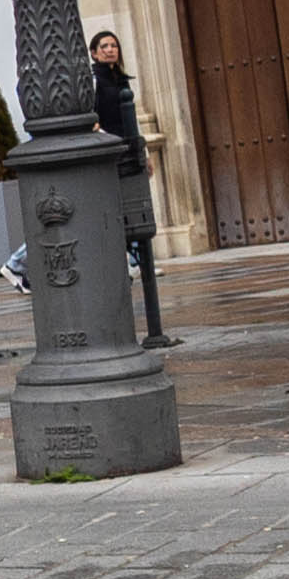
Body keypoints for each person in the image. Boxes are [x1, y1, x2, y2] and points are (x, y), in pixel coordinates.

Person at [93, 26, 166, 344]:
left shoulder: (120, 81)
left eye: (114, 45)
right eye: (104, 46)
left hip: (128, 153)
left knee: (129, 209)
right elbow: (95, 118)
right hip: (112, 154)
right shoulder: (96, 82)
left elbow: (130, 121)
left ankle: (137, 260)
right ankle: (19, 262)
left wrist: (144, 152)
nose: (110, 50)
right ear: (94, 52)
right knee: (114, 210)